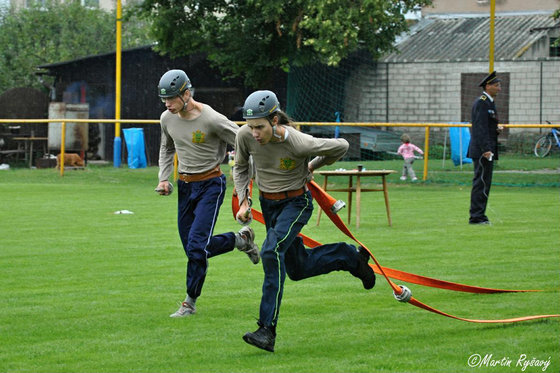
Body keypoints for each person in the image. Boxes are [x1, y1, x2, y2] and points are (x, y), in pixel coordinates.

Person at [233, 90, 376, 352]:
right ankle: (350, 257)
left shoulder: (298, 142)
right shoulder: (245, 136)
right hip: (269, 204)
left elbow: (342, 146)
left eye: (259, 127)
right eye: (250, 126)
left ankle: (267, 330)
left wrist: (313, 166)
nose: (254, 133)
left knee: (270, 250)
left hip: (296, 204)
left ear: (274, 120)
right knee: (298, 269)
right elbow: (240, 167)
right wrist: (244, 200)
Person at [155, 69, 260, 318]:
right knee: (194, 248)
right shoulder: (166, 119)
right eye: (164, 100)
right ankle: (240, 240)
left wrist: (246, 186)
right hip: (185, 187)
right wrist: (163, 178)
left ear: (186, 94)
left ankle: (189, 302)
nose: (167, 104)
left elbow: (245, 143)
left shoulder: (212, 119)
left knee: (196, 248)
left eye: (171, 98)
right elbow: (166, 148)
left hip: (211, 185)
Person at [467, 70, 503, 225]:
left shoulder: (489, 102)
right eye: (496, 85)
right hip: (483, 150)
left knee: (485, 183)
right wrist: (486, 149)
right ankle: (476, 216)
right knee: (481, 182)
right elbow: (479, 128)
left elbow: (486, 126)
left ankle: (480, 214)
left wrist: (496, 130)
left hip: (488, 148)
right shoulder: (482, 102)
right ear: (488, 86)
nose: (499, 89)